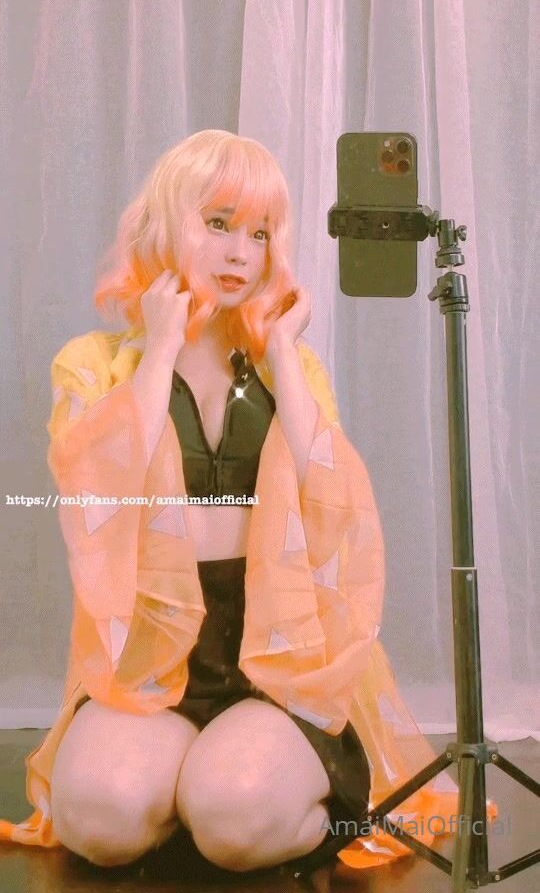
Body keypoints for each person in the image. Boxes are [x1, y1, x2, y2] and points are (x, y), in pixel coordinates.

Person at [0, 130, 490, 873]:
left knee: (234, 819)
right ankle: (188, 785)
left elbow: (335, 505)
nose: (240, 254)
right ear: (167, 225)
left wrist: (283, 353)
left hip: (279, 650)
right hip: (152, 654)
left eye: (260, 234)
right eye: (219, 224)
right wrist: (159, 350)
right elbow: (98, 494)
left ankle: (257, 797)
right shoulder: (95, 364)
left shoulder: (289, 366)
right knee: (97, 822)